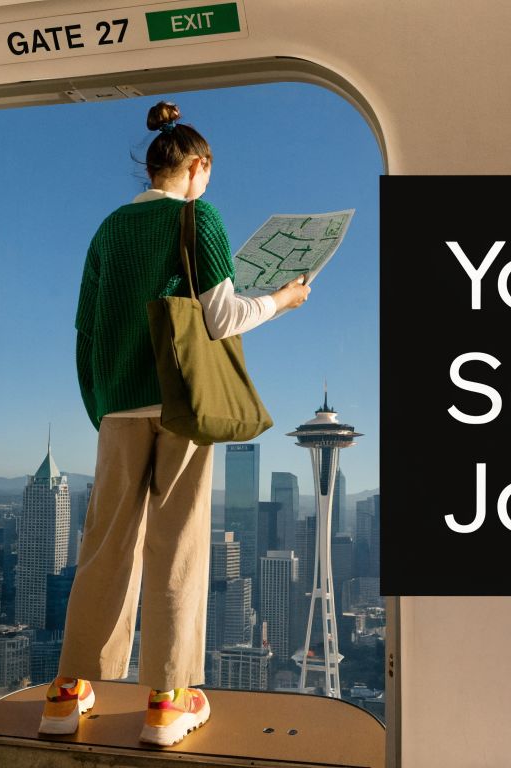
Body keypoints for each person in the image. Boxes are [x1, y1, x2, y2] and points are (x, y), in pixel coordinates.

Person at [38, 101, 310, 746]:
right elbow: (220, 319)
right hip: (182, 403)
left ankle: (68, 694)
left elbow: (86, 332)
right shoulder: (199, 217)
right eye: (208, 172)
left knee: (105, 546)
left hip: (117, 409)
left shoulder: (108, 230)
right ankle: (166, 702)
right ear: (197, 166)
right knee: (177, 546)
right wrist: (283, 299)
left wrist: (103, 406)